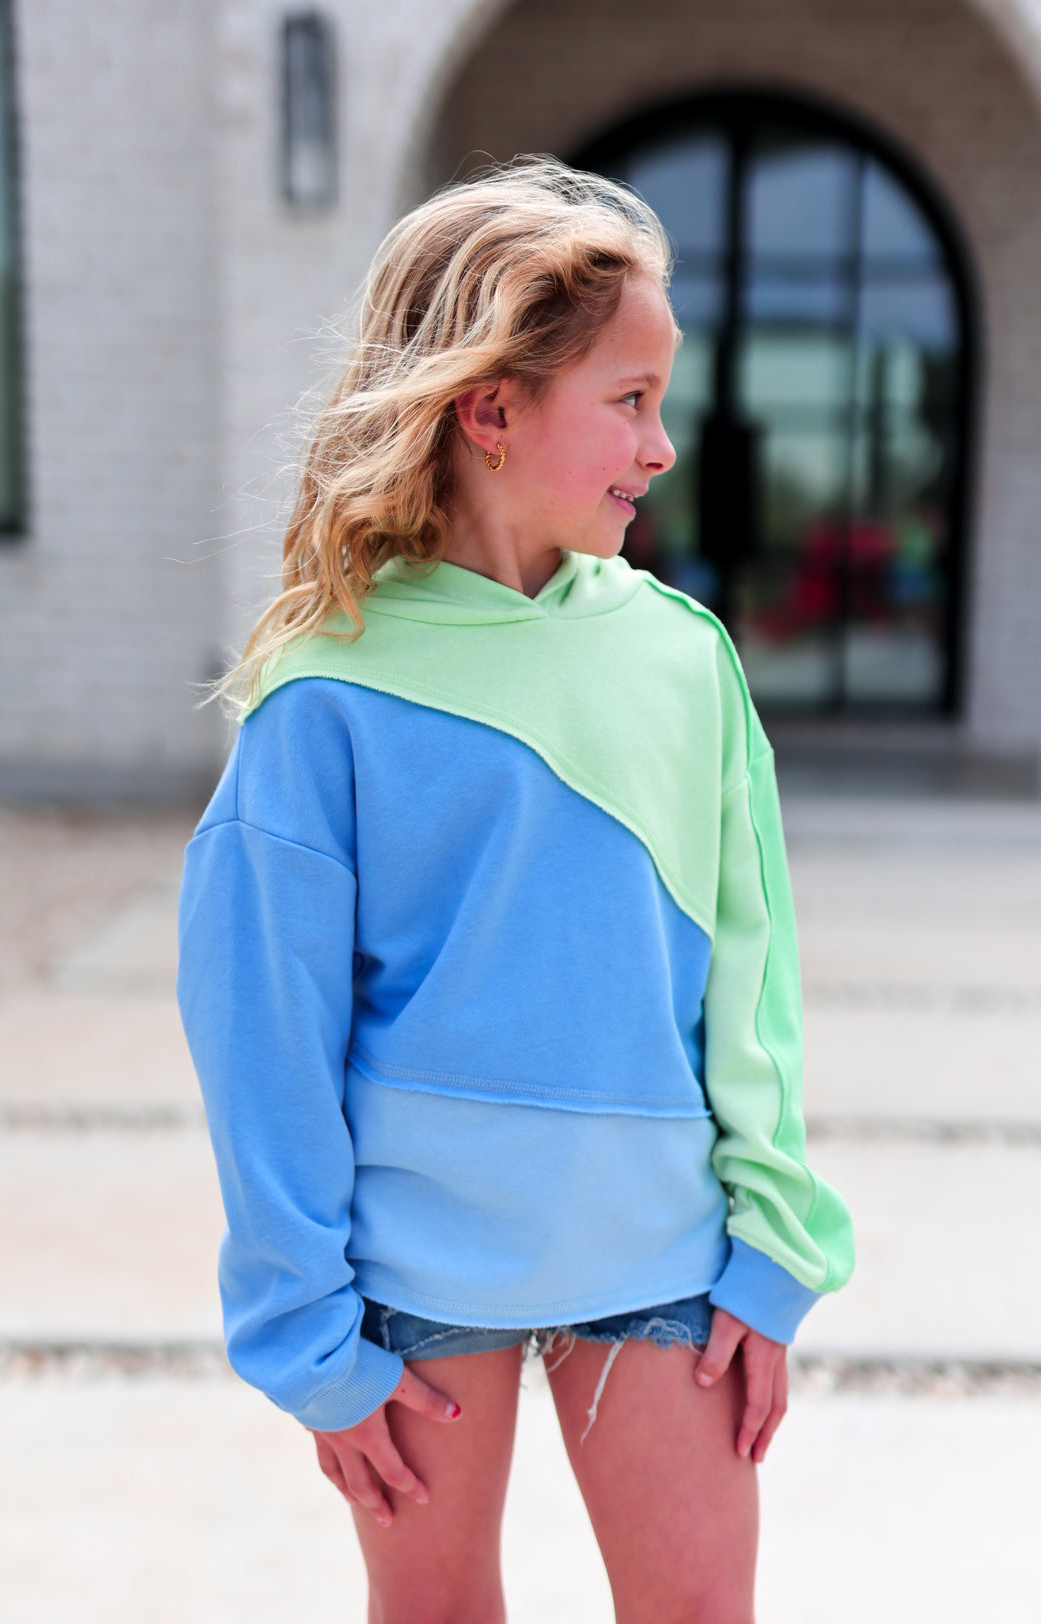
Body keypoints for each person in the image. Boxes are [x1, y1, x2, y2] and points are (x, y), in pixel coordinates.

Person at [177, 156, 854, 1624]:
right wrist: (305, 1328)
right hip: (410, 1272)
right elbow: (261, 1032)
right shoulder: (325, 694)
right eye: (630, 399)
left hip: (663, 1253)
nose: (663, 446)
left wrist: (774, 1243)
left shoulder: (681, 658)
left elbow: (753, 969)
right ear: (489, 411)